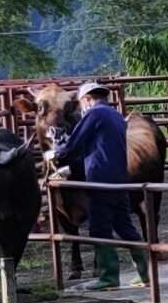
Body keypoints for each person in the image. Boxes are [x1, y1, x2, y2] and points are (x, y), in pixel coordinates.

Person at [55, 82, 149, 290]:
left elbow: (75, 143)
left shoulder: (94, 115)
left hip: (99, 180)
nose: (82, 108)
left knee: (99, 228)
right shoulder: (116, 116)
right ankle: (144, 274)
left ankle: (108, 277)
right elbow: (98, 146)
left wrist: (56, 151)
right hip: (120, 179)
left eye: (82, 104)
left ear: (87, 99)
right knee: (125, 227)